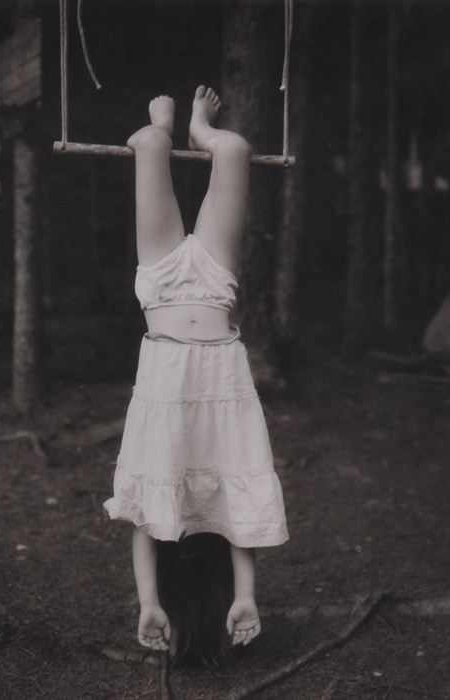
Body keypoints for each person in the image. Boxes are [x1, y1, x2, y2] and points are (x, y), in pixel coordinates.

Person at [104, 86, 288, 656]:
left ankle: (163, 123)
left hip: (160, 289)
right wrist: (246, 596)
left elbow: (141, 524)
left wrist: (149, 604)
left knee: (148, 142)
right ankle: (200, 132)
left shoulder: (159, 494)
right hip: (213, 289)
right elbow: (243, 524)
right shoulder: (228, 482)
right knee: (233, 149)